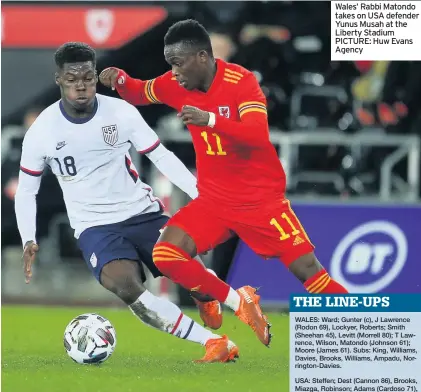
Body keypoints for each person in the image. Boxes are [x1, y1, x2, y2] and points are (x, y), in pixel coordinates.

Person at [100, 19, 350, 346]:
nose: (173, 72)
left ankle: (369, 335)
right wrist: (120, 79)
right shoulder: (176, 83)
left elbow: (257, 136)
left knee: (309, 271)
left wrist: (212, 120)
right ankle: (228, 299)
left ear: (202, 57)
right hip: (215, 202)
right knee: (166, 254)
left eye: (178, 63)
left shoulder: (241, 82)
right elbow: (139, 91)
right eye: (170, 64)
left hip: (260, 201)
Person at [14, 42, 240, 363]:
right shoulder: (42, 132)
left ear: (96, 77)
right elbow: (26, 189)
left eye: (88, 78)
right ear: (58, 79)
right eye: (72, 78)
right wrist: (28, 237)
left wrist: (201, 194)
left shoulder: (120, 111)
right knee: (127, 288)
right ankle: (212, 342)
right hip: (94, 227)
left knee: (192, 272)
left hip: (142, 214)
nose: (81, 85)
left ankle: (205, 296)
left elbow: (160, 155)